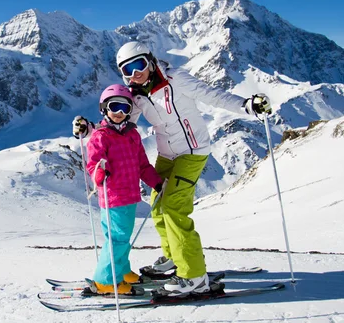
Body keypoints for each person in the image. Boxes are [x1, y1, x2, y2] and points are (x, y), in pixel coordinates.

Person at [73, 41, 272, 296]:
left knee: (173, 208)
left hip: (192, 151)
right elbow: (119, 123)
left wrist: (246, 105)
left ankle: (193, 275)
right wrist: (89, 130)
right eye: (127, 70)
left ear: (150, 60)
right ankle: (174, 256)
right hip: (167, 155)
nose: (135, 74)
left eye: (139, 65)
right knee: (158, 204)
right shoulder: (135, 96)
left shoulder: (176, 79)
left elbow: (212, 95)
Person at [84, 84, 164, 295]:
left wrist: (156, 182)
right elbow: (93, 164)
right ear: (104, 109)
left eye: (125, 108)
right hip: (113, 197)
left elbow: (142, 165)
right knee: (117, 239)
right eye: (114, 107)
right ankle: (105, 281)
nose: (119, 113)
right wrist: (100, 174)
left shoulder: (132, 135)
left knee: (122, 239)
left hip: (130, 196)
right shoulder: (101, 137)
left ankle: (123, 271)